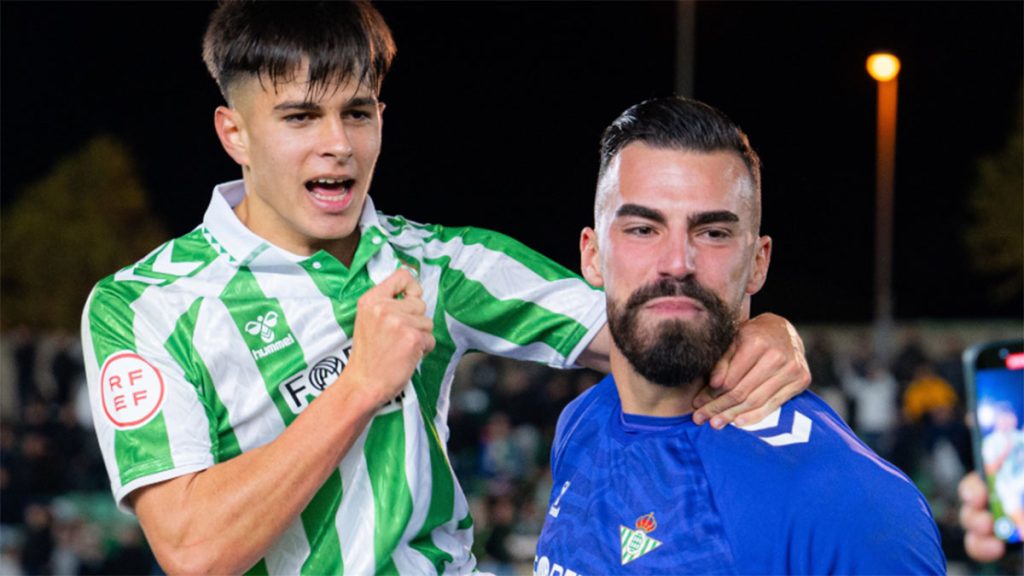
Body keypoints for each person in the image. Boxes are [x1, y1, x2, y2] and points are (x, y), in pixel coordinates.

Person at [80, 3, 811, 574]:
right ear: (234, 132)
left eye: (357, 112)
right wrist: (359, 386)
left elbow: (650, 332)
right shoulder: (145, 306)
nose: (337, 142)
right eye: (301, 116)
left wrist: (765, 330)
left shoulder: (440, 262)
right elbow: (193, 551)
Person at [534, 96, 946, 574]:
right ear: (592, 255)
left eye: (713, 233)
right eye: (643, 229)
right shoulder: (580, 422)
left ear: (758, 262)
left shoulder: (849, 503)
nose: (677, 263)